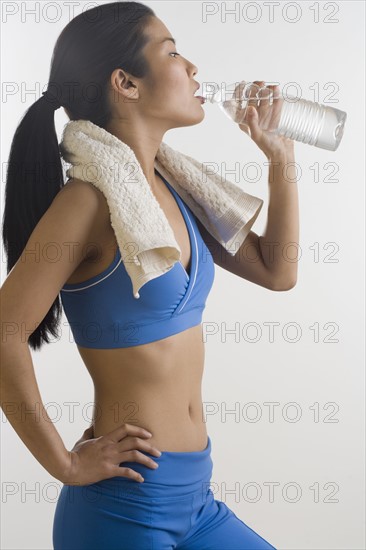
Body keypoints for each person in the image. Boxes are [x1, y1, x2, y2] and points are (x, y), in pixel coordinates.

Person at [1, 2, 298, 548]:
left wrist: (280, 160)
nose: (192, 68)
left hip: (198, 500)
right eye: (173, 52)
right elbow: (4, 332)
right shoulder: (87, 202)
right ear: (126, 83)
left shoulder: (175, 189)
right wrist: (64, 463)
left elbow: (278, 273)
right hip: (124, 508)